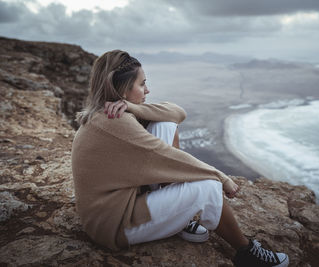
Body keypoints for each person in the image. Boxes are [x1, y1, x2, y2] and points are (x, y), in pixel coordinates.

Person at [71, 50, 289, 267]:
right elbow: (168, 157)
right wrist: (220, 177)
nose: (147, 90)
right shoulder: (118, 124)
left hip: (111, 211)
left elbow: (176, 113)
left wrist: (133, 107)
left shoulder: (108, 114)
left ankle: (178, 220)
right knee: (208, 187)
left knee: (164, 124)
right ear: (123, 90)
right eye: (141, 84)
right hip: (115, 225)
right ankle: (246, 252)